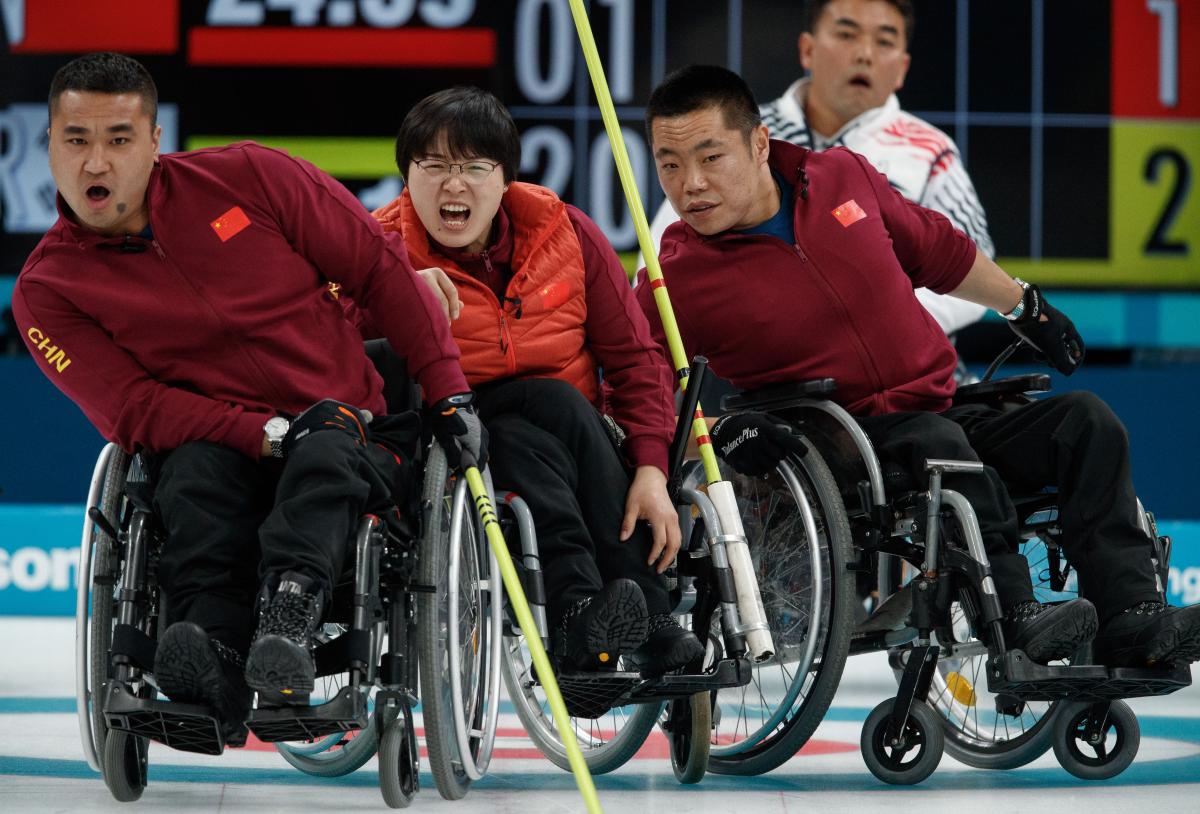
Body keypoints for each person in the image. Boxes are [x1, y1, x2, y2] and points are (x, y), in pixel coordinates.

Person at [634, 64, 1200, 669]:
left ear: (757, 144)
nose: (690, 184)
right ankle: (1015, 613)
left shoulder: (841, 178)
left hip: (939, 406)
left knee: (1086, 422)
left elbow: (938, 248)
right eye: (669, 164)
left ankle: (1131, 619)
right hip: (836, 444)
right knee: (939, 444)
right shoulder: (677, 280)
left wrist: (1024, 306)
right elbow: (635, 378)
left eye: (709, 157)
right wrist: (687, 452)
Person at [13, 53, 486, 747]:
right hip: (225, 451)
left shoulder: (254, 178)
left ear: (153, 143)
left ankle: (287, 622)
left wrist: (449, 394)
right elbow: (133, 409)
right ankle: (213, 659)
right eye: (76, 141)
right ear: (49, 145)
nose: (95, 164)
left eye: (118, 139)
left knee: (327, 438)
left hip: (350, 431)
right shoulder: (47, 291)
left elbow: (380, 270)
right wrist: (262, 433)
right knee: (193, 472)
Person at [352, 87, 703, 677]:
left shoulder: (567, 233)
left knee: (544, 415)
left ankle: (594, 615)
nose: (452, 185)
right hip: (436, 431)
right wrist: (402, 300)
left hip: (562, 435)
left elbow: (637, 358)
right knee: (526, 421)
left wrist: (651, 469)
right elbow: (327, 350)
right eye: (432, 167)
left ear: (506, 178)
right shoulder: (372, 250)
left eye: (472, 167)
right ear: (406, 177)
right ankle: (626, 608)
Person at [645, 0, 988, 340]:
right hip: (761, 378)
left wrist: (865, 325)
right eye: (846, 34)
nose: (864, 54)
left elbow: (974, 272)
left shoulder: (930, 151)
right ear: (807, 50)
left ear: (902, 68)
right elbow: (658, 269)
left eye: (884, 41)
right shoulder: (733, 133)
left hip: (919, 378)